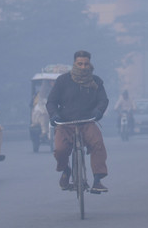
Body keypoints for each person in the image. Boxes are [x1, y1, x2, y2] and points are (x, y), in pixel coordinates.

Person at [47, 50, 110, 193]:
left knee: (98, 144)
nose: (83, 67)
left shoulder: (96, 81)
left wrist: (99, 111)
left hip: (87, 121)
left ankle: (97, 180)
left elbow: (103, 100)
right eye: (80, 64)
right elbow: (51, 102)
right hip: (65, 123)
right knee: (60, 150)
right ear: (74, 63)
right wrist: (54, 115)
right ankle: (66, 170)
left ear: (90, 64)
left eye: (86, 64)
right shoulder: (63, 80)